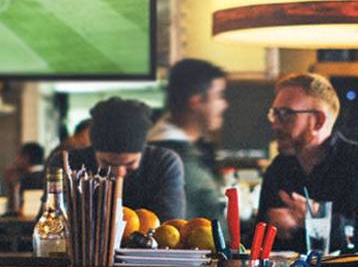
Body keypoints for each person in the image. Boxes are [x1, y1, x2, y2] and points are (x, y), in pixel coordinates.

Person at [257, 73, 358, 253]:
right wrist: (270, 227)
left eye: (285, 114)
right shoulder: (278, 167)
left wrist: (315, 219)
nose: (275, 124)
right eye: (274, 114)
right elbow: (257, 245)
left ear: (318, 121)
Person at [48, 97, 186, 221]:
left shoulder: (164, 163)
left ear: (143, 151)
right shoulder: (67, 163)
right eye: (108, 163)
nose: (120, 172)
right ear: (93, 150)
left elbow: (169, 225)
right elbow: (52, 219)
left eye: (130, 163)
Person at [148, 59, 228, 220]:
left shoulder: (181, 150)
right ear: (196, 102)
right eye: (219, 96)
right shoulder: (175, 158)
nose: (224, 105)